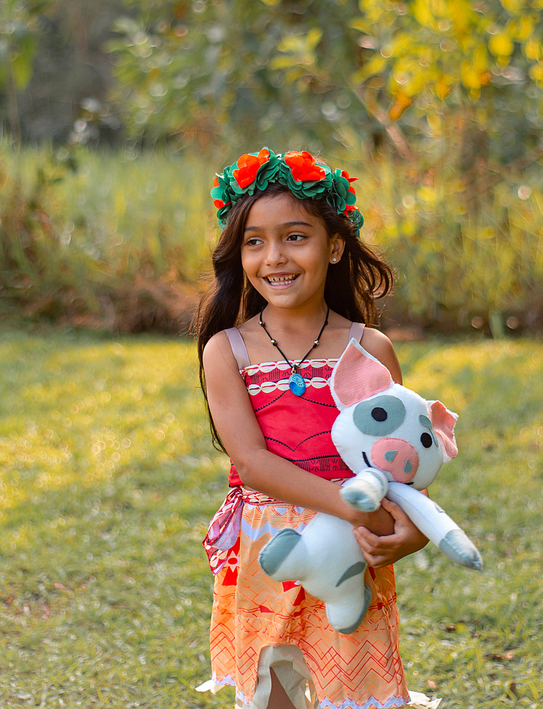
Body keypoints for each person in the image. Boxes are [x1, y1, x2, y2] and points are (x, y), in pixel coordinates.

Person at [194, 148, 438, 709]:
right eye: (254, 241)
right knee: (273, 694)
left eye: (295, 237)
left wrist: (415, 528)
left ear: (334, 246)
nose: (274, 257)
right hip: (268, 551)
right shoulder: (227, 351)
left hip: (351, 551)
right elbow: (252, 463)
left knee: (353, 689)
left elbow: (398, 457)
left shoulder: (369, 348)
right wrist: (354, 509)